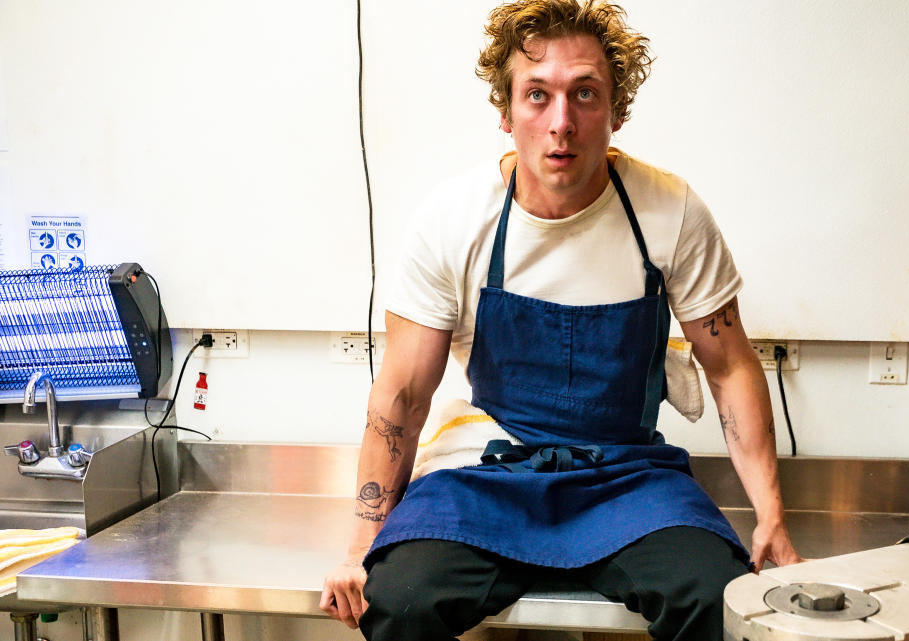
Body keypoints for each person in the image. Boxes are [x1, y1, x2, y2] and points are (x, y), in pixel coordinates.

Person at [320, 1, 802, 639]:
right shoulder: (452, 221)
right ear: (506, 110)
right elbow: (403, 396)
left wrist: (770, 514)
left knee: (719, 600)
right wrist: (361, 543)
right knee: (400, 601)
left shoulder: (670, 212)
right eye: (537, 95)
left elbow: (731, 366)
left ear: (618, 111)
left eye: (585, 94)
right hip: (489, 472)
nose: (561, 123)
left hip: (628, 480)